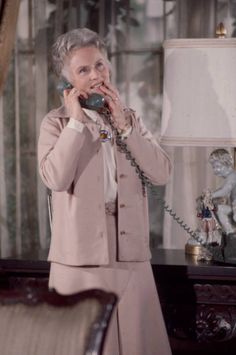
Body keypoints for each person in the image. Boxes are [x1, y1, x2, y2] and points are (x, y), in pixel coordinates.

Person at [38, 28, 172, 355]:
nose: (96, 75)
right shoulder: (55, 124)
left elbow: (161, 172)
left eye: (100, 65)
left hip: (129, 254)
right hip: (79, 258)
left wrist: (125, 126)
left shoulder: (128, 120)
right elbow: (54, 178)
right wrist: (76, 123)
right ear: (66, 81)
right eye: (83, 70)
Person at [209, 148, 236, 235]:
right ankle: (229, 231)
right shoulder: (230, 177)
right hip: (233, 207)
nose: (215, 170)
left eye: (218, 167)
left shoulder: (232, 176)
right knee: (220, 209)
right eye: (214, 167)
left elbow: (225, 190)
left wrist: (212, 195)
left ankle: (231, 232)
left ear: (227, 164)